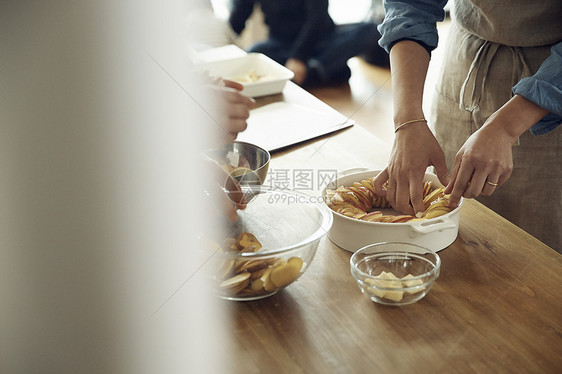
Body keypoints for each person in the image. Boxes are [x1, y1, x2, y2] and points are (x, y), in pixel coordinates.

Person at [372, 0, 562, 250]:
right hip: (465, 62)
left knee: (536, 255)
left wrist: (505, 128)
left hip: (551, 91)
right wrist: (407, 120)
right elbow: (410, 5)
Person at [228, 0, 389, 87]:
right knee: (254, 52)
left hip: (321, 40)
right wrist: (224, 44)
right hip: (280, 44)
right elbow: (238, 17)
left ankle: (309, 71)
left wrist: (298, 57)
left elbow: (317, 20)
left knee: (371, 29)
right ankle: (322, 70)